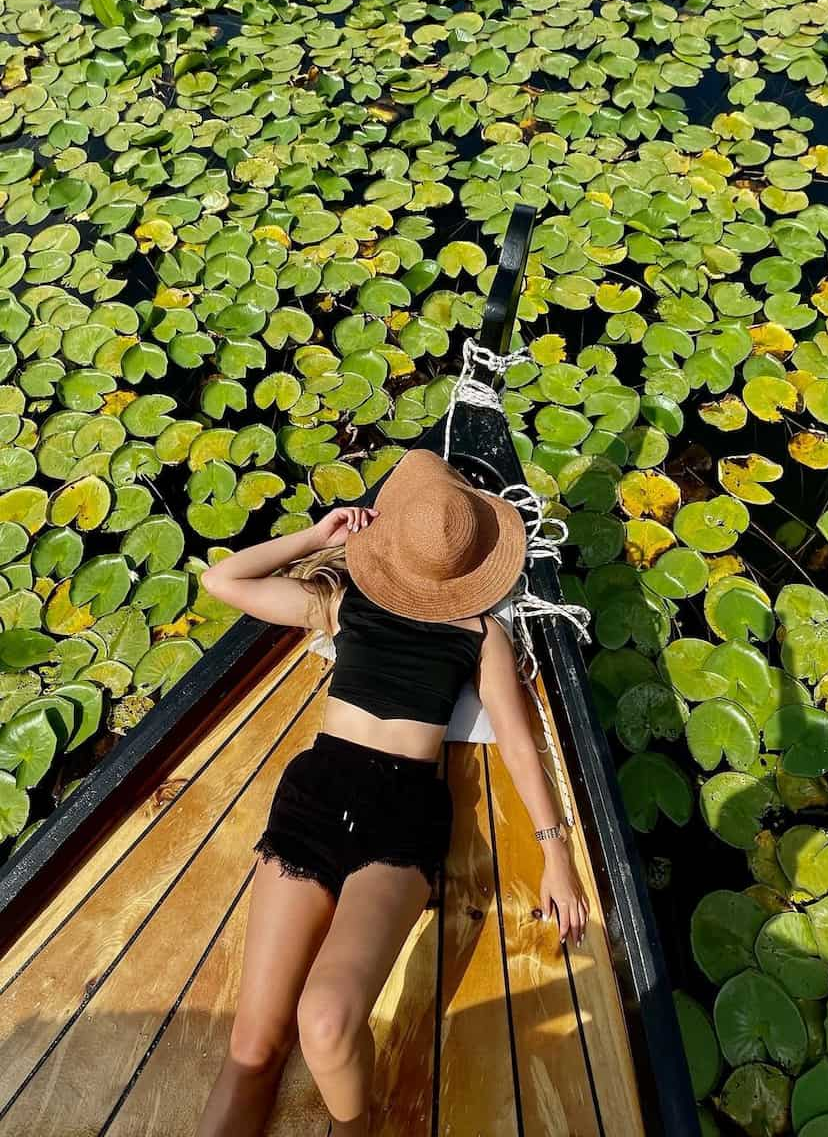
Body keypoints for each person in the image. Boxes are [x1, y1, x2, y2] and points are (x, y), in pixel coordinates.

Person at [196, 448, 589, 1137]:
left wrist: (554, 851)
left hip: (400, 820)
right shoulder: (345, 602)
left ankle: (359, 1124)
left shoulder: (480, 634)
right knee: (253, 1047)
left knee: (324, 1019)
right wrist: (316, 540)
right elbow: (222, 579)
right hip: (315, 797)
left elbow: (519, 742)